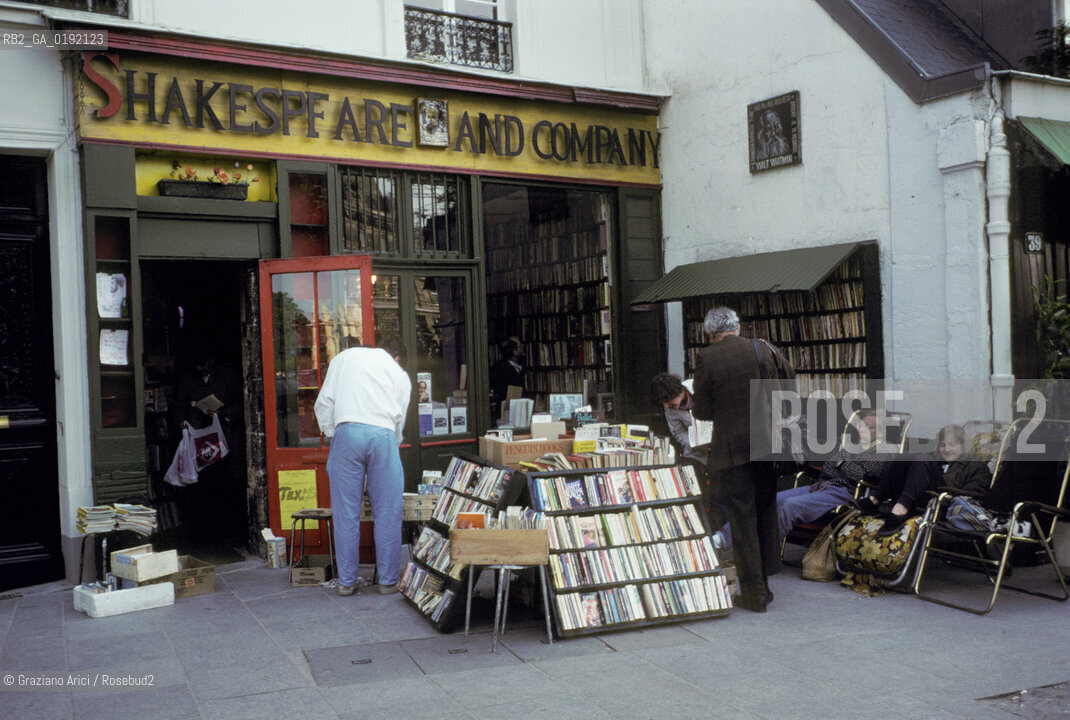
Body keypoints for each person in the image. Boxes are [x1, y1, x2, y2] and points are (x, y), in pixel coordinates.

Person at [692, 307, 793, 613]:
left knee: (742, 519)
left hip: (732, 451)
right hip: (767, 445)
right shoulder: (764, 348)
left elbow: (702, 411)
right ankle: (765, 583)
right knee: (764, 512)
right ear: (738, 326)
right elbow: (788, 389)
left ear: (711, 333)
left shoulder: (708, 358)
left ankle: (754, 593)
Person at [712, 411, 898, 552]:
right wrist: (844, 464)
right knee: (766, 501)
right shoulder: (854, 445)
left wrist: (842, 463)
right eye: (861, 425)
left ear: (881, 432)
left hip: (845, 493)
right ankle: (721, 538)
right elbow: (829, 467)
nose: (862, 430)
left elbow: (862, 476)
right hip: (821, 486)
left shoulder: (887, 450)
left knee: (788, 506)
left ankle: (765, 553)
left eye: (868, 427)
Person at [314, 336, 411, 597]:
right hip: (383, 434)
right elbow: (400, 417)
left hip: (347, 431)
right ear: (396, 356)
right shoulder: (398, 372)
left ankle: (346, 582)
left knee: (346, 513)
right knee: (388, 512)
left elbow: (324, 403)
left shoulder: (343, 359)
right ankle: (387, 581)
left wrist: (333, 433)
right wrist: (393, 438)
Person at [857, 423, 991, 536]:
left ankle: (900, 510)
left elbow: (975, 495)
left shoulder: (976, 466)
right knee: (906, 456)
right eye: (943, 445)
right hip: (918, 498)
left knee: (923, 458)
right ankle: (874, 499)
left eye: (952, 444)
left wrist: (950, 497)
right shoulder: (937, 462)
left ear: (962, 446)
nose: (947, 449)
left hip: (943, 506)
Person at [489, 336, 524, 416]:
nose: (521, 348)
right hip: (505, 412)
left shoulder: (520, 367)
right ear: (514, 351)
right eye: (519, 346)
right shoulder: (500, 368)